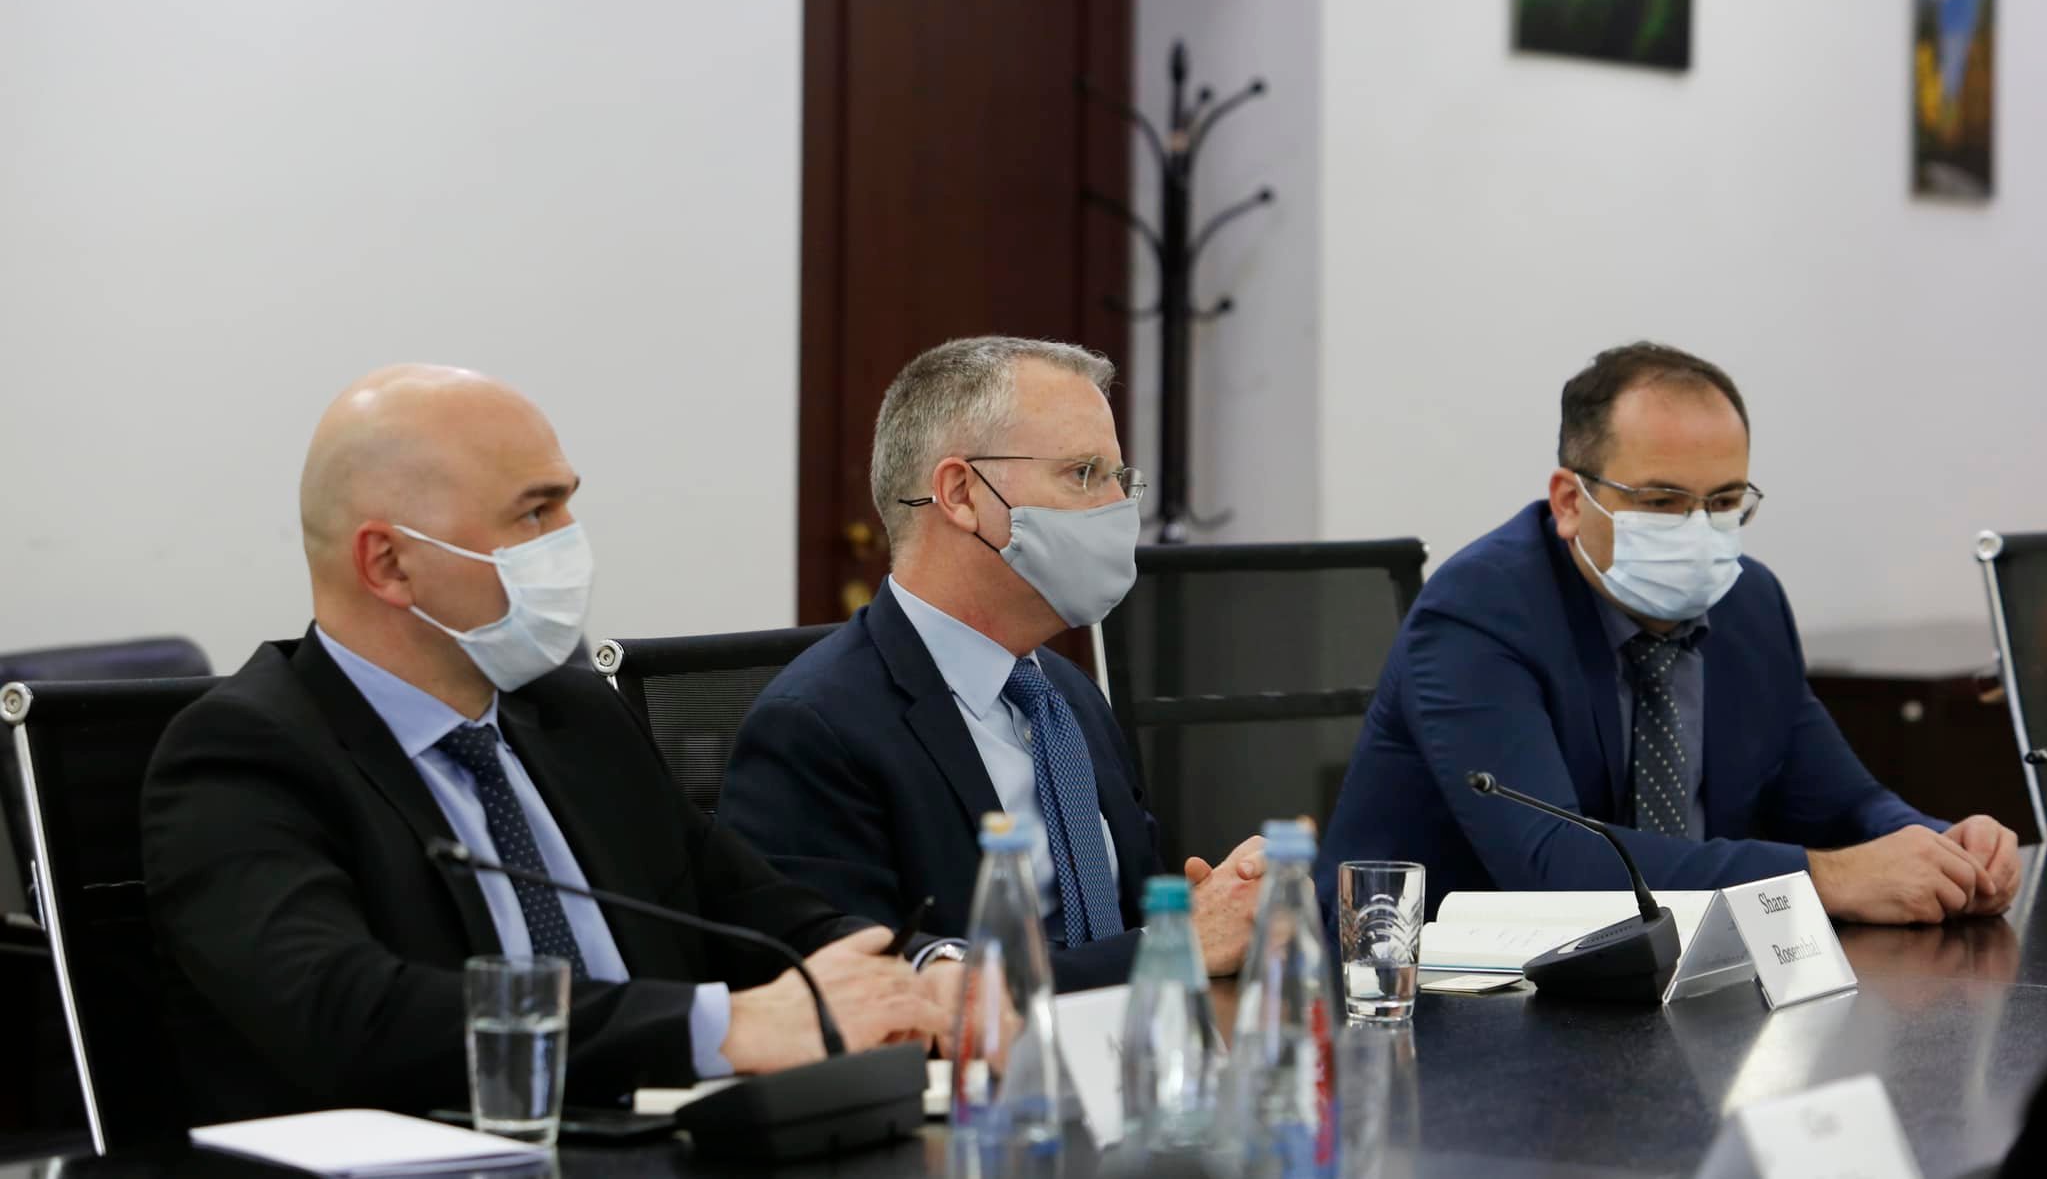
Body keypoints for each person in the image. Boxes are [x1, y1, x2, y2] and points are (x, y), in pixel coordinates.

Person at [143, 365, 949, 1125]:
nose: (569, 542)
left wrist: (922, 974)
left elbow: (757, 912)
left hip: (671, 1142)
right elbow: (351, 1014)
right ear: (388, 563)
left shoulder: (572, 716)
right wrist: (721, 1027)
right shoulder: (242, 756)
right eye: (534, 514)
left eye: (566, 506)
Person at [1316, 342, 2020, 923]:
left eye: (1724, 501)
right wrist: (1827, 879)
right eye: (1661, 501)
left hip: (1673, 987)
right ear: (1570, 501)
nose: (1698, 530)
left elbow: (1845, 804)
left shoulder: (1749, 604)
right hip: (1434, 999)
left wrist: (1941, 847)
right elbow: (1556, 867)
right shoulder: (1478, 614)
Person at [718, 336, 1264, 992]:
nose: (1118, 510)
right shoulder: (813, 728)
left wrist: (1218, 907)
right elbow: (865, 993)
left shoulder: (1066, 695)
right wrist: (1176, 946)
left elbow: (1127, 929)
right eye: (1083, 474)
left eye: (1120, 480)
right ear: (961, 493)